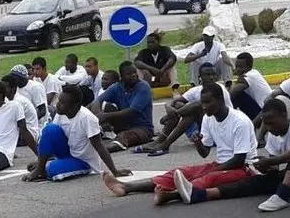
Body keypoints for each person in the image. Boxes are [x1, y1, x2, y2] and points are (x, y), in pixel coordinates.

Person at [103, 82, 258, 205]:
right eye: (202, 103)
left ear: (220, 100)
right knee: (179, 172)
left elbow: (239, 159)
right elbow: (205, 152)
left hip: (244, 168)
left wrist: (209, 171)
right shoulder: (208, 118)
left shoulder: (240, 121)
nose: (203, 107)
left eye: (208, 103)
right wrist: (198, 143)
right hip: (221, 164)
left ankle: (170, 196)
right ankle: (127, 187)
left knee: (205, 179)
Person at [171, 98, 290, 212]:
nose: (269, 127)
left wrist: (273, 160)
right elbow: (274, 168)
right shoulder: (272, 137)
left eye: (272, 122)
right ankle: (200, 194)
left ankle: (282, 195)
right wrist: (265, 167)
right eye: (266, 123)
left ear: (285, 115)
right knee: (255, 181)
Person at [23, 85, 131, 182]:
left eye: (62, 103)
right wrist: (40, 162)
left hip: (83, 161)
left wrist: (115, 171)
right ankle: (41, 168)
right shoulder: (61, 114)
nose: (57, 105)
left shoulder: (87, 118)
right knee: (49, 129)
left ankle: (46, 169)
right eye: (58, 101)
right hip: (67, 153)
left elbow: (99, 146)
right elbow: (51, 138)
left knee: (54, 170)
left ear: (75, 106)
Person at [140, 64, 232, 156]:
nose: (211, 77)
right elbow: (174, 102)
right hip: (203, 130)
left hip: (221, 133)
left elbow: (199, 104)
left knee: (195, 109)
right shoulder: (196, 90)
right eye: (207, 75)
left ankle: (164, 144)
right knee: (179, 104)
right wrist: (168, 107)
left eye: (213, 74)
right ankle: (161, 141)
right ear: (200, 77)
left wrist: (169, 116)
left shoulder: (220, 89)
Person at [90, 62, 154, 152]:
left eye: (134, 72)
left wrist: (104, 116)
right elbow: (97, 101)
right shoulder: (117, 87)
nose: (133, 75)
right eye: (129, 74)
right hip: (124, 125)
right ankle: (96, 133)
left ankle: (103, 150)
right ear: (121, 76)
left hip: (143, 128)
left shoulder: (143, 87)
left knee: (123, 136)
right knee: (105, 106)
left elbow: (132, 111)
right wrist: (98, 115)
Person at [228, 53, 271, 120]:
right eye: (236, 66)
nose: (238, 69)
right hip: (265, 109)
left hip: (263, 113)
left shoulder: (249, 76)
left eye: (241, 67)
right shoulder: (254, 72)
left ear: (249, 67)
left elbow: (232, 92)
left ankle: (229, 119)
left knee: (238, 95)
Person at [1, 75, 40, 144]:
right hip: (18, 132)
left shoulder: (19, 102)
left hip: (29, 135)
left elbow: (9, 123)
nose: (2, 90)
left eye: (5, 87)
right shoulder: (7, 99)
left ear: (14, 88)